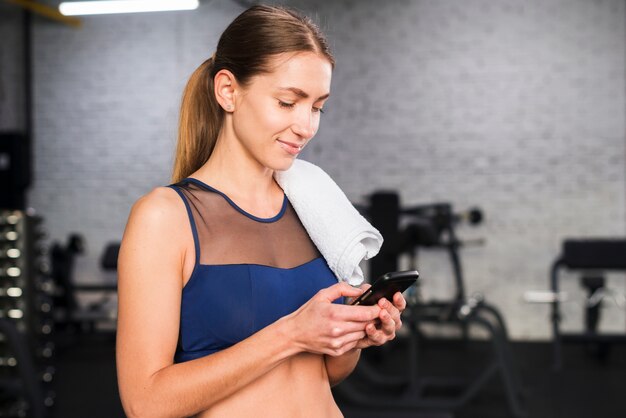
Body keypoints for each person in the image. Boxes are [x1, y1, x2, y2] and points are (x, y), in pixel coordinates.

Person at [116, 4, 406, 418]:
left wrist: (353, 336)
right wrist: (292, 333)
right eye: (288, 102)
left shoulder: (314, 205)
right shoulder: (165, 217)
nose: (306, 126)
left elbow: (325, 373)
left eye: (317, 107)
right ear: (228, 91)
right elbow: (145, 403)